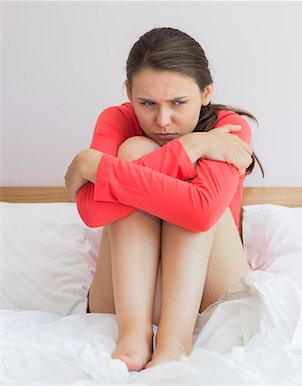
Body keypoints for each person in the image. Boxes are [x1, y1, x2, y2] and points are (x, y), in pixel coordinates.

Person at [64, 27, 262, 372]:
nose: (162, 120)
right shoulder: (117, 120)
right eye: (147, 103)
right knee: (135, 149)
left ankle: (175, 340)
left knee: (165, 180)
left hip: (206, 293)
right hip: (125, 297)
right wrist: (189, 147)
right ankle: (134, 337)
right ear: (129, 93)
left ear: (206, 92)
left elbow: (201, 214)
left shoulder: (229, 129)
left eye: (178, 103)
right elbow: (93, 212)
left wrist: (93, 167)